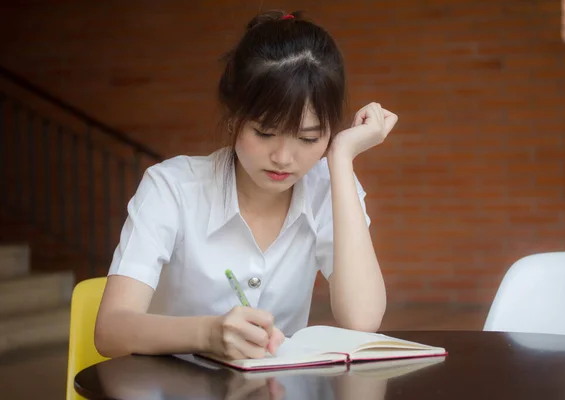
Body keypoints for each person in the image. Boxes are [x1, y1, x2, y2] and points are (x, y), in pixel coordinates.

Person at [94, 10, 397, 361]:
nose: (283, 157)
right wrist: (207, 334)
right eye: (265, 133)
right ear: (235, 117)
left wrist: (341, 158)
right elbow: (110, 330)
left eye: (308, 138)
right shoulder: (172, 189)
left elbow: (362, 320)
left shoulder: (328, 187)